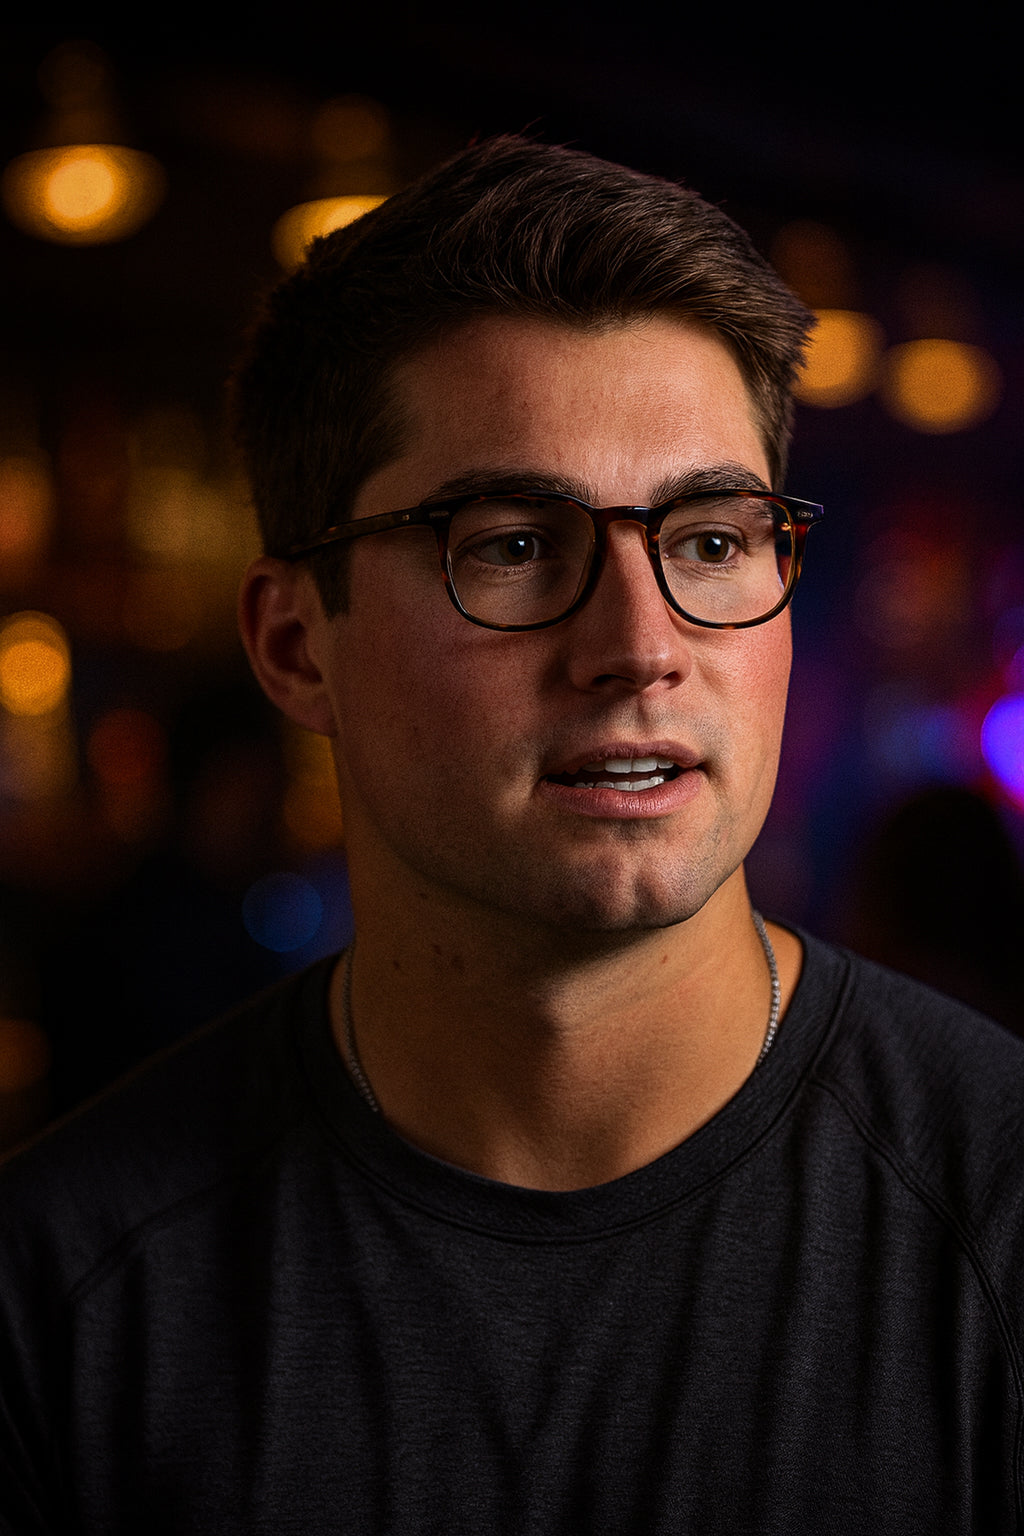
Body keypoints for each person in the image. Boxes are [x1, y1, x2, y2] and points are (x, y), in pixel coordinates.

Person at [2, 134, 1024, 1533]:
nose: (641, 644)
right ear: (297, 645)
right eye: (513, 545)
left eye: (714, 540)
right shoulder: (65, 1291)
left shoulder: (996, 1209)